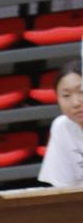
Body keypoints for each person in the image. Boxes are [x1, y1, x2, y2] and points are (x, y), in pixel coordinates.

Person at [38, 58, 83, 187]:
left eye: (81, 92)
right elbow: (62, 188)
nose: (75, 103)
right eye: (66, 95)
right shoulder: (62, 127)